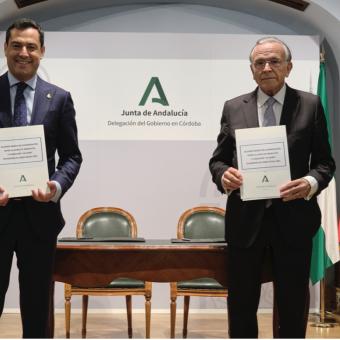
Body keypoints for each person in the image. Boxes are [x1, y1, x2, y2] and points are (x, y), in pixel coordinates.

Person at [209, 37, 335, 338]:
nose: (267, 67)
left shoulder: (310, 105)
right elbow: (218, 160)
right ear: (252, 70)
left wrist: (309, 182)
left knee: (292, 306)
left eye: (274, 61)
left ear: (288, 67)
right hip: (245, 222)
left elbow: (325, 163)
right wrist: (223, 174)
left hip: (294, 221)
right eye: (259, 63)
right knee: (241, 305)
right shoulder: (233, 107)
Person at [0, 18, 82, 338]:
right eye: (17, 45)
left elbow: (72, 156)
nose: (24, 52)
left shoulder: (59, 99)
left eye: (31, 46)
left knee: (37, 309)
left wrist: (56, 186)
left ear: (42, 51)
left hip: (41, 217)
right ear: (6, 48)